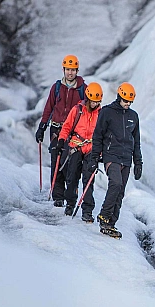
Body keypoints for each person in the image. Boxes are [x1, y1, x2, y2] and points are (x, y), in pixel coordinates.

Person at [88, 82, 142, 237]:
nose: (127, 104)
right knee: (115, 183)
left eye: (130, 102)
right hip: (111, 156)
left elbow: (136, 141)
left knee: (120, 192)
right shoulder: (107, 112)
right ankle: (104, 215)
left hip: (127, 159)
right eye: (125, 101)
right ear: (119, 96)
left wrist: (138, 163)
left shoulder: (134, 116)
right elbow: (97, 136)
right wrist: (94, 158)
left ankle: (110, 224)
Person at [35, 54, 86, 207]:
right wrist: (42, 126)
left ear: (77, 71)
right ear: (64, 70)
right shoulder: (56, 87)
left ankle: (69, 194)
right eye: (67, 69)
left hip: (73, 131)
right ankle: (58, 196)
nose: (70, 73)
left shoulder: (83, 89)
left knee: (69, 162)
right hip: (56, 128)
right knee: (55, 159)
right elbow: (49, 107)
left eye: (73, 70)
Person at [55, 82, 103, 222]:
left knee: (89, 179)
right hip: (76, 146)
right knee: (72, 177)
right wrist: (61, 141)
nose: (94, 104)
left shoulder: (101, 114)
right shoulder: (77, 110)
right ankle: (70, 204)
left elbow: (104, 134)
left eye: (97, 102)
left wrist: (101, 152)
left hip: (92, 149)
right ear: (87, 98)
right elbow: (66, 127)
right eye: (93, 101)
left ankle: (87, 210)